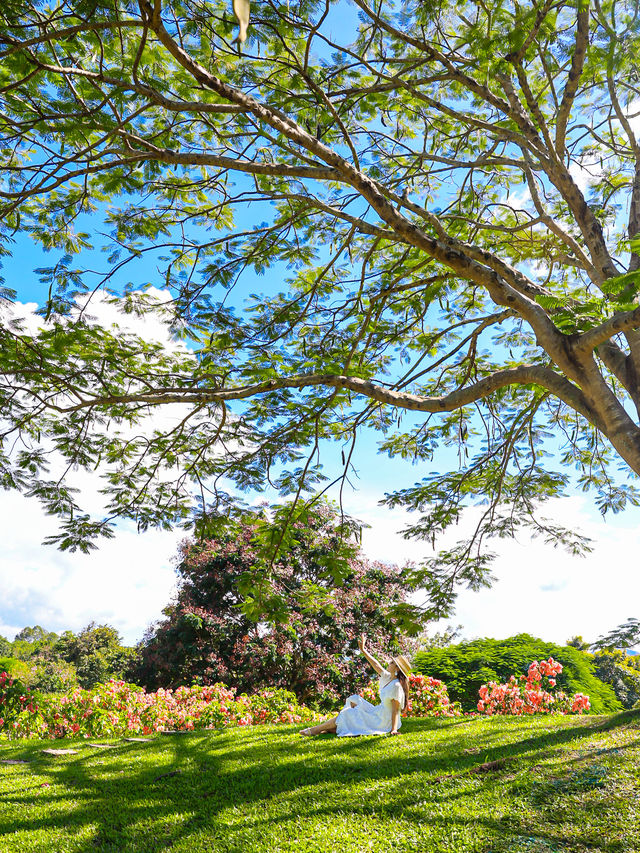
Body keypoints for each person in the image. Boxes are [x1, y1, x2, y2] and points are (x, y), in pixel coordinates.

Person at [299, 634, 411, 737]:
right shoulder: (388, 677)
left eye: (392, 663)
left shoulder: (396, 686)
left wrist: (394, 729)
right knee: (353, 700)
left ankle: (315, 730)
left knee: (349, 713)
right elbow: (375, 664)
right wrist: (363, 650)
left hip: (382, 720)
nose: (388, 663)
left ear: (397, 669)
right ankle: (338, 725)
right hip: (378, 711)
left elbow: (395, 710)